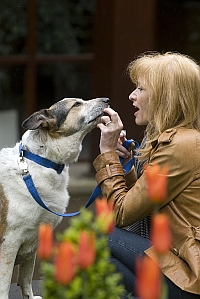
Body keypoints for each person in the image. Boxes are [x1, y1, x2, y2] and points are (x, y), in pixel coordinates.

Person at [93, 52, 200, 299]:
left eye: (141, 88)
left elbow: (120, 214)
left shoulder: (180, 146)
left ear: (166, 97)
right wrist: (127, 165)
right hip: (182, 269)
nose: (132, 96)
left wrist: (108, 153)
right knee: (105, 263)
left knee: (100, 234)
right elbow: (145, 205)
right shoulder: (182, 139)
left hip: (189, 280)